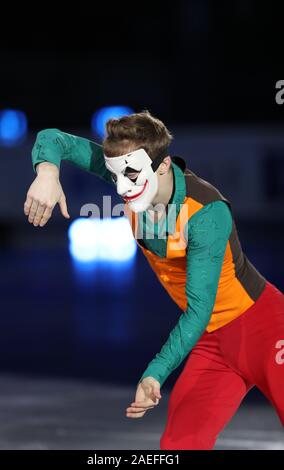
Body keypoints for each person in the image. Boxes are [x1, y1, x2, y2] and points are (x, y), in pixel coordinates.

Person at [24, 111, 284, 450]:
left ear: (162, 166)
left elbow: (199, 310)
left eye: (129, 174)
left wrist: (156, 371)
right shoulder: (131, 177)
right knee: (179, 446)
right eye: (114, 175)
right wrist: (46, 172)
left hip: (265, 328)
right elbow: (54, 137)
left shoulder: (207, 212)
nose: (121, 187)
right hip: (212, 341)